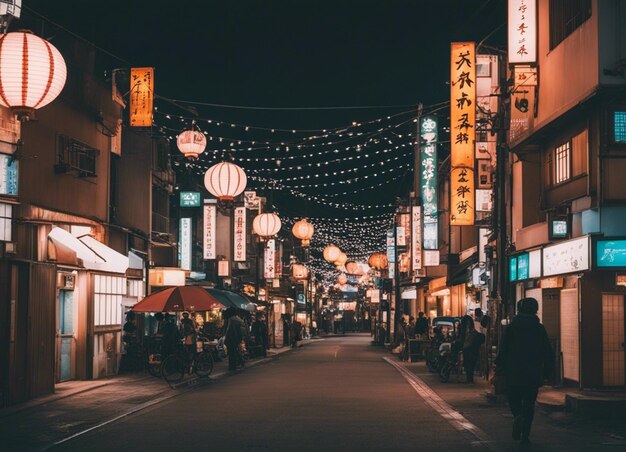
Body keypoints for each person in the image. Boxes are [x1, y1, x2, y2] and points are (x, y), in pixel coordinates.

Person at [495, 297, 554, 445]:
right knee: (529, 403)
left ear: (519, 309)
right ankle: (525, 435)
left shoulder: (511, 328)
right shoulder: (539, 329)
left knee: (514, 399)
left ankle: (517, 416)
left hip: (513, 371)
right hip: (533, 373)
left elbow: (503, 350)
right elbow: (548, 352)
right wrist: (547, 372)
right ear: (535, 310)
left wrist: (499, 367)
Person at [462, 315, 484, 383]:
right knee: (468, 364)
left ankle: (470, 379)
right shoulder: (466, 332)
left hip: (471, 350)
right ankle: (469, 379)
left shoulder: (473, 332)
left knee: (470, 364)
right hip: (468, 350)